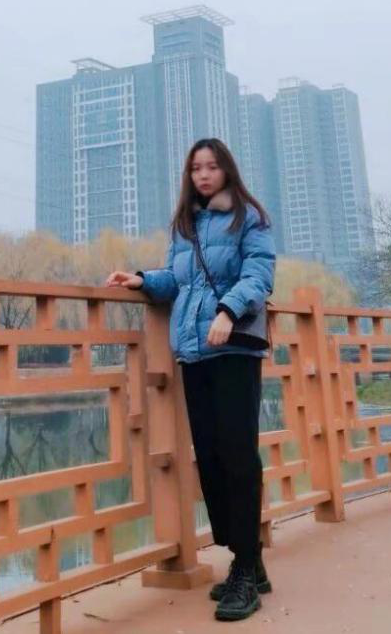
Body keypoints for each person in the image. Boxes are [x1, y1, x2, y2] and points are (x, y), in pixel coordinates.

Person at [106, 137, 276, 622]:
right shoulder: (185, 224)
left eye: (212, 166)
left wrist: (228, 309)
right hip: (195, 353)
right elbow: (179, 281)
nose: (203, 175)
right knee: (212, 459)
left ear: (227, 171)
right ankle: (249, 561)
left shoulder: (249, 217)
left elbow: (259, 275)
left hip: (234, 348)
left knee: (238, 455)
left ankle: (244, 568)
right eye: (196, 168)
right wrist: (143, 281)